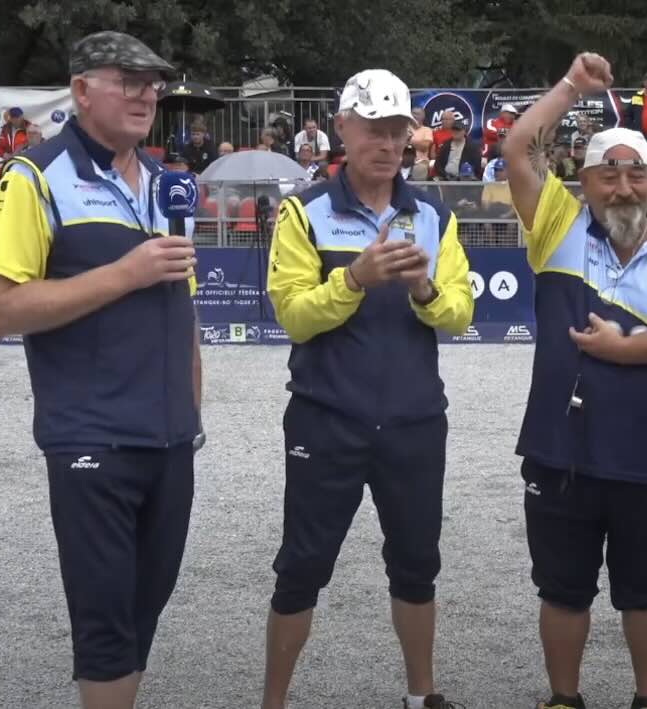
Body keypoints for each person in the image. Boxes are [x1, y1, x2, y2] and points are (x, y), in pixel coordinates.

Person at [0, 30, 202, 709]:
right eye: (126, 79)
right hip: (91, 440)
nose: (145, 93)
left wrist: (193, 416)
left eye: (153, 82)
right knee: (105, 628)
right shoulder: (35, 176)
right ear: (79, 90)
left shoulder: (169, 185)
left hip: (170, 441)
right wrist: (124, 273)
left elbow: (181, 315)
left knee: (140, 618)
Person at [503, 52, 647, 709]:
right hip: (560, 451)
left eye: (636, 174)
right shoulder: (558, 231)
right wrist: (570, 87)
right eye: (608, 175)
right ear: (584, 182)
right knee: (562, 590)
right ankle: (564, 698)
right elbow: (518, 145)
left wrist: (624, 350)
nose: (623, 187)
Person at [262, 68, 473, 709]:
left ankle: (421, 695)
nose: (385, 145)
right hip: (327, 419)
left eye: (396, 132)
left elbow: (461, 313)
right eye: (373, 130)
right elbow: (292, 315)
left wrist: (424, 290)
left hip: (412, 420)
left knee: (416, 565)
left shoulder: (432, 216)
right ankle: (273, 702)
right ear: (342, 129)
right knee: (301, 567)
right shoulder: (305, 211)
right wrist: (353, 280)